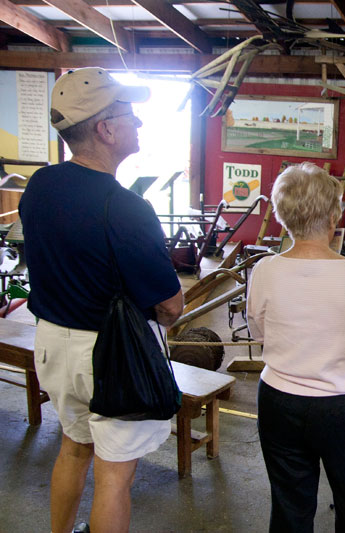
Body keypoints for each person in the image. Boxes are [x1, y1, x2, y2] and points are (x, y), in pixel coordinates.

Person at [19, 67, 183, 533]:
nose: (139, 125)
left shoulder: (40, 187)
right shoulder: (127, 208)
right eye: (130, 116)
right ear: (105, 129)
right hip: (112, 356)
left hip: (52, 344)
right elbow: (169, 304)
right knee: (114, 478)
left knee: (73, 448)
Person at [246, 162, 345, 533]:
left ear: (282, 217)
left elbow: (259, 331)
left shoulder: (265, 270)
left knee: (290, 504)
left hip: (279, 399)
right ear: (335, 215)